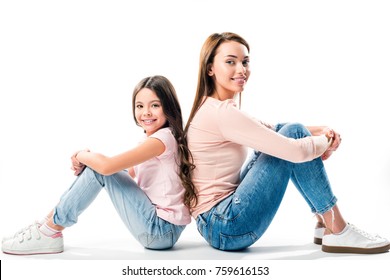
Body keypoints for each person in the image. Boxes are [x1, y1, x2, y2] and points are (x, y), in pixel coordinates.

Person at [184, 32, 390, 254]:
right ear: (210, 68)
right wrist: (325, 141)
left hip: (216, 223)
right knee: (293, 135)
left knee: (291, 130)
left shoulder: (212, 108)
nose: (241, 69)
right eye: (230, 62)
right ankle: (337, 228)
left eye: (245, 62)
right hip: (226, 226)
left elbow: (270, 128)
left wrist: (319, 130)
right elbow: (295, 151)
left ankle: (324, 222)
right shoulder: (221, 113)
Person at [2, 75, 196, 255]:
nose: (145, 112)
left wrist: (82, 155)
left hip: (160, 231)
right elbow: (124, 174)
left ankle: (49, 230)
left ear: (168, 107)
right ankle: (47, 226)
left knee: (101, 168)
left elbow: (107, 168)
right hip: (161, 230)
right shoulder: (157, 140)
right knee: (99, 169)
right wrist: (90, 164)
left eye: (155, 105)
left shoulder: (161, 139)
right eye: (139, 106)